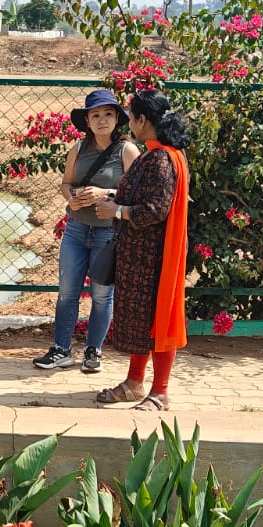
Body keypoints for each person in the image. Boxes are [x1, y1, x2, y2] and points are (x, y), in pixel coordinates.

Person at [92, 89, 191, 411]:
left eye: (131, 117)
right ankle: (135, 384)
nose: (129, 123)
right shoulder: (157, 154)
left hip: (153, 259)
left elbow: (154, 210)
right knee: (143, 322)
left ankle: (159, 392)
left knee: (158, 320)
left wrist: (116, 211)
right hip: (141, 256)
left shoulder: (162, 159)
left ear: (143, 120)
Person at [33, 89, 140, 373]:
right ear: (88, 121)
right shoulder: (78, 149)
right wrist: (73, 196)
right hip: (77, 230)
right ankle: (61, 350)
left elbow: (138, 193)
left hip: (108, 234)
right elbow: (65, 183)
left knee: (102, 295)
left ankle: (93, 352)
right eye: (95, 115)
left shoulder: (127, 151)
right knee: (67, 293)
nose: (102, 120)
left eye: (107, 114)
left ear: (117, 118)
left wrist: (104, 192)